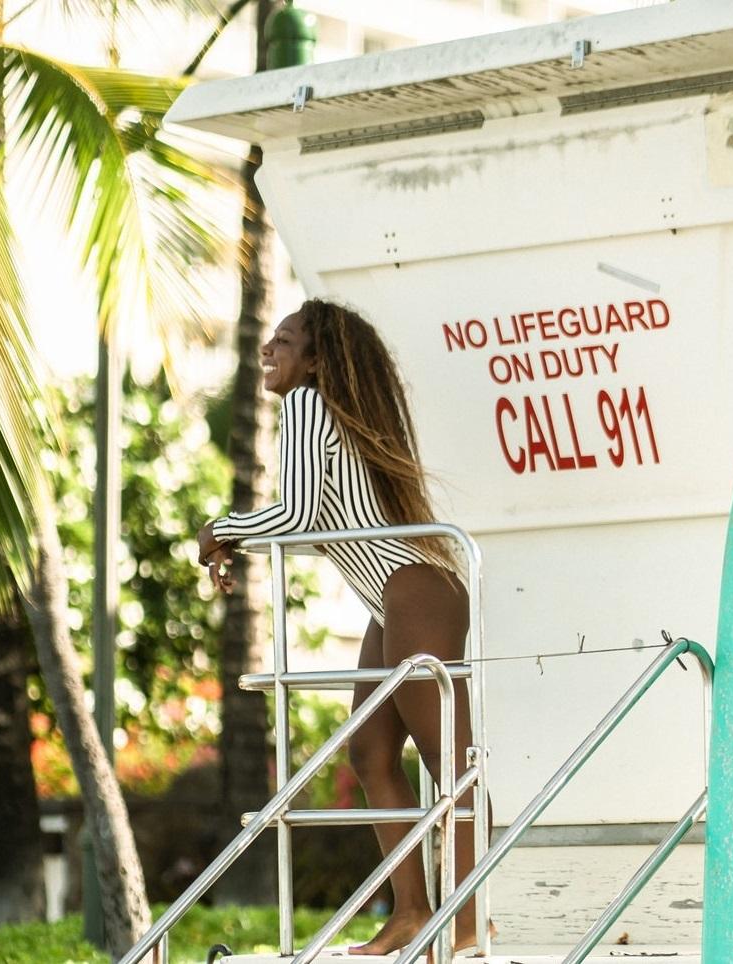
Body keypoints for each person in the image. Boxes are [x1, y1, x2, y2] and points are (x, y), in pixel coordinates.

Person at [197, 298, 488, 954]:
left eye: (285, 340)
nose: (268, 349)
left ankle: (470, 919)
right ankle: (413, 910)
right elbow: (316, 522)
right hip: (400, 595)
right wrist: (237, 542)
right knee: (371, 755)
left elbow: (295, 517)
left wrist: (223, 529)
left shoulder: (305, 406)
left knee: (451, 761)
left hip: (414, 591)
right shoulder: (326, 415)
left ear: (317, 360)